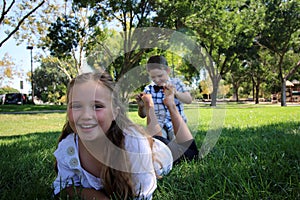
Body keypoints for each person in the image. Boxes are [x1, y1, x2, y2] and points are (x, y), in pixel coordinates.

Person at [53, 71, 198, 200]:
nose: (85, 115)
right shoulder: (68, 148)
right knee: (154, 136)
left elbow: (143, 195)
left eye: (97, 106)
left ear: (115, 112)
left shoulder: (134, 144)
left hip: (161, 152)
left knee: (191, 151)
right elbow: (63, 188)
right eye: (76, 106)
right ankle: (150, 106)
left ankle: (170, 104)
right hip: (149, 142)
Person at [136, 55, 192, 141]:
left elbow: (188, 100)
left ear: (168, 70)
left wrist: (176, 93)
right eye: (153, 77)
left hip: (176, 125)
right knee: (157, 143)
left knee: (179, 145)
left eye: (160, 76)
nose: (157, 80)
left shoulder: (176, 83)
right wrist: (141, 106)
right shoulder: (148, 89)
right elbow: (142, 115)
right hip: (158, 125)